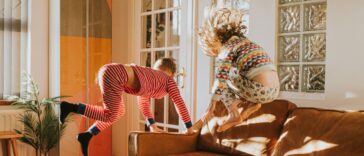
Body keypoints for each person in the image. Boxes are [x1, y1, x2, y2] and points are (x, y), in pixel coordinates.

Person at [60, 58, 193, 156]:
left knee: (119, 111)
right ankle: (70, 107)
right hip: (115, 74)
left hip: (111, 71)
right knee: (110, 114)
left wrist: (151, 123)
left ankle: (87, 135)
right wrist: (189, 127)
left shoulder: (151, 76)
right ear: (172, 74)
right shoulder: (168, 80)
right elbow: (179, 102)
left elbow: (143, 102)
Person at [198, 8, 280, 132]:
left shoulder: (227, 48)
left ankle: (234, 113)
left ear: (214, 40)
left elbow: (221, 78)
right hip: (275, 90)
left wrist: (211, 106)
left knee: (224, 74)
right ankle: (252, 103)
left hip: (258, 89)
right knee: (240, 71)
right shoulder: (246, 43)